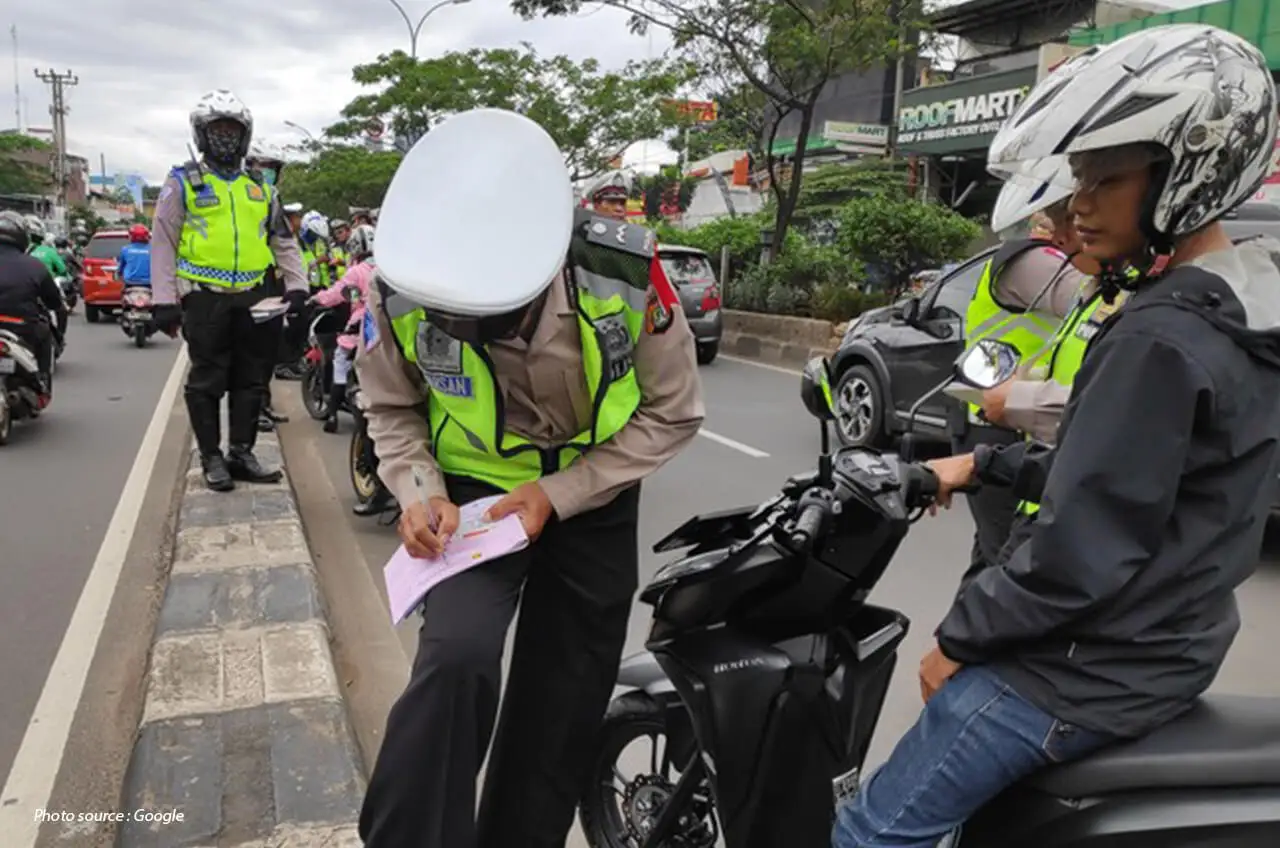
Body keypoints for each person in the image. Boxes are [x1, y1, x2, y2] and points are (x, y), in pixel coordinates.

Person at [833, 24, 1280, 848]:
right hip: (1169, 647)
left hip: (1085, 670)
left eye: (1105, 178)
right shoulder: (1240, 311)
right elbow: (1145, 478)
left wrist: (959, 640)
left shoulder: (1160, 338)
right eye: (1078, 178)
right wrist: (985, 466)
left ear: (1187, 172)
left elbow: (1081, 549)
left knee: (870, 832)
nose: (1078, 204)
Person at [355, 108, 704, 848]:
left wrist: (559, 494)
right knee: (456, 658)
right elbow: (389, 405)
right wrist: (419, 491)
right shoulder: (401, 285)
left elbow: (673, 412)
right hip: (471, 503)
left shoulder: (622, 273)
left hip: (592, 493)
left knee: (563, 697)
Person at [150, 89, 308, 492]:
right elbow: (164, 240)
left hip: (255, 296)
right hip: (205, 297)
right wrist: (164, 299)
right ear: (201, 134)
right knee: (207, 380)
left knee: (252, 379)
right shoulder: (182, 181)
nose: (225, 137)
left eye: (232, 130)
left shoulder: (261, 188)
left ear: (244, 135)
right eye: (217, 129)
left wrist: (297, 287)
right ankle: (211, 457)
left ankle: (241, 452)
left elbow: (283, 241)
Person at [952, 193, 1089, 586]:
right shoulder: (1034, 262)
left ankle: (964, 623)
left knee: (989, 557)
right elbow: (1091, 300)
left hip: (1010, 420)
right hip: (1000, 422)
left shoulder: (1031, 258)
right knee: (1007, 567)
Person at [245, 140, 293, 430]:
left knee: (268, 350)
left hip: (271, 283)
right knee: (249, 353)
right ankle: (253, 410)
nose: (268, 173)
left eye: (272, 168)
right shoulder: (239, 200)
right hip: (247, 285)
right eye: (263, 166)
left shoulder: (271, 199)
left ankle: (264, 403)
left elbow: (284, 244)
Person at [311, 223, 374, 434]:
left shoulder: (357, 271)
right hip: (385, 330)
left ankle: (332, 415)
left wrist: (316, 298)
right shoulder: (386, 269)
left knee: (340, 362)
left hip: (360, 327)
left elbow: (338, 294)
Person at [0, 211, 65, 397]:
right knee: (45, 332)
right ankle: (42, 381)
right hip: (22, 327)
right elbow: (54, 303)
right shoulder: (34, 266)